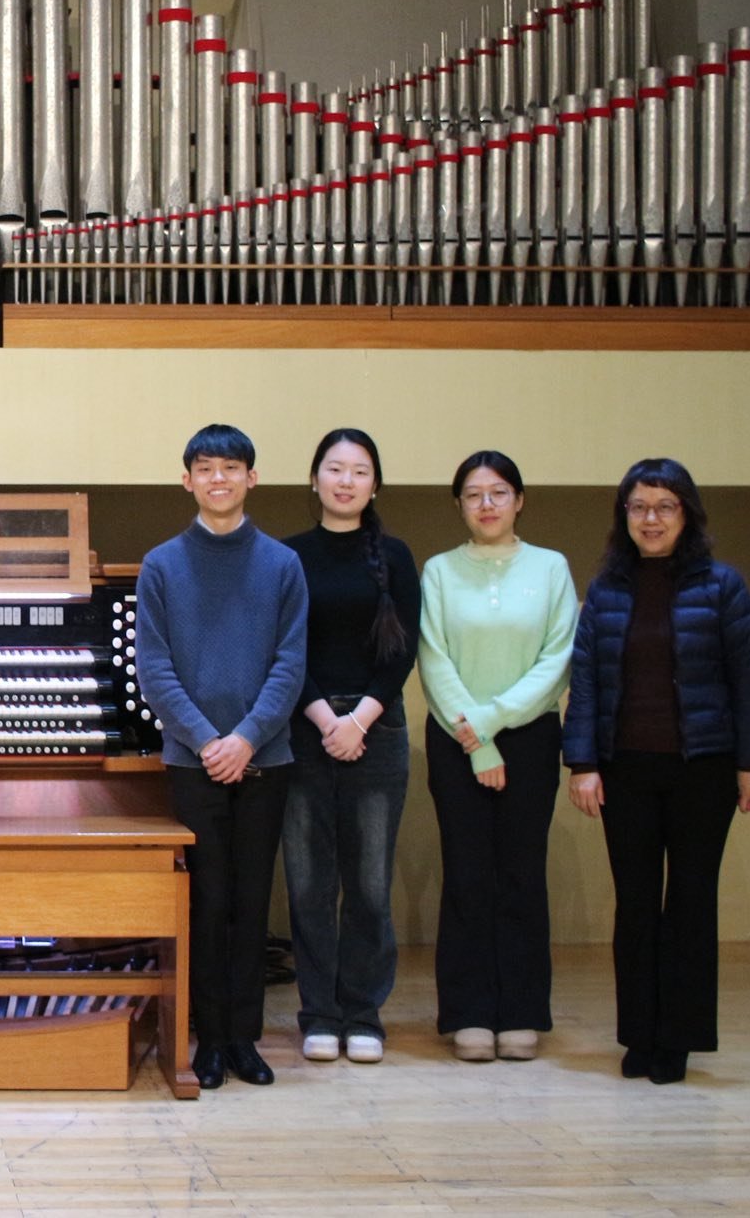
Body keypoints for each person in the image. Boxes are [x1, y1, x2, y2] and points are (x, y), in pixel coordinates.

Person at [563, 458, 750, 1086]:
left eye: (664, 507)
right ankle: (639, 1035)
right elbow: (587, 681)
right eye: (638, 507)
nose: (650, 519)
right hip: (624, 769)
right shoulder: (606, 589)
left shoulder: (723, 586)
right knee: (634, 905)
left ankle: (678, 1039)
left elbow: (749, 682)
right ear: (623, 516)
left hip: (702, 771)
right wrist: (581, 764)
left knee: (690, 902)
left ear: (687, 514)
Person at [136, 423, 308, 1091]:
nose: (218, 479)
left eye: (231, 468)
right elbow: (154, 669)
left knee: (250, 899)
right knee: (207, 901)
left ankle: (245, 1038)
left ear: (251, 479)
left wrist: (247, 738)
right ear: (187, 481)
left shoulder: (282, 565)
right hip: (193, 760)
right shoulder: (162, 565)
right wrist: (210, 741)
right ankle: (207, 1040)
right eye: (205, 469)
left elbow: (290, 663)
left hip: (266, 757)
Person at [416, 450, 576, 1063]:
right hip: (455, 740)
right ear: (459, 504)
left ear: (519, 500)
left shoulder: (551, 568)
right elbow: (434, 660)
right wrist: (475, 739)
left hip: (531, 737)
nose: (486, 505)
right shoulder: (438, 571)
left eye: (498, 493)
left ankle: (521, 1011)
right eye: (474, 495)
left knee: (520, 872)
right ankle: (469, 1013)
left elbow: (557, 659)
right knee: (467, 873)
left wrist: (492, 722)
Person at [281, 428, 420, 1067]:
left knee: (367, 884)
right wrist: (322, 717)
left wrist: (358, 721)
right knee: (309, 883)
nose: (345, 481)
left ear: (375, 485)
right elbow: (281, 651)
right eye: (333, 469)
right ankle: (319, 1014)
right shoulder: (287, 557)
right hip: (303, 729)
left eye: (359, 471)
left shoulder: (394, 555)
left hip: (377, 730)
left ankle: (363, 1013)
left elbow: (402, 651)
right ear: (314, 480)